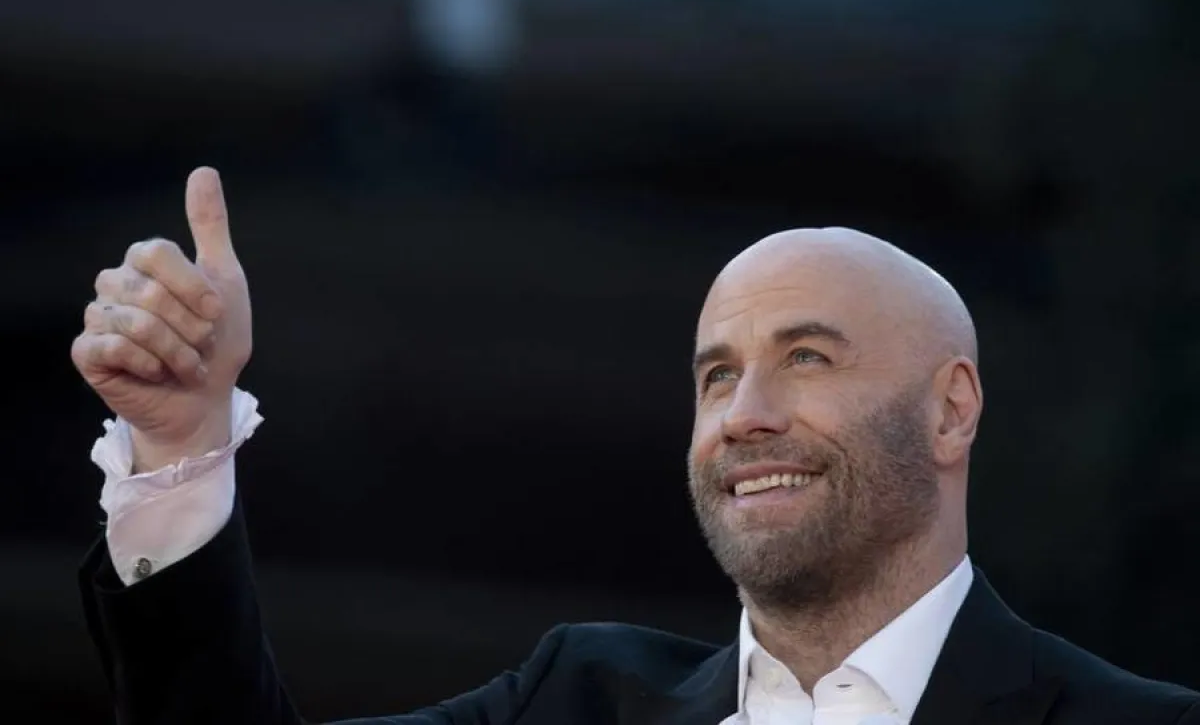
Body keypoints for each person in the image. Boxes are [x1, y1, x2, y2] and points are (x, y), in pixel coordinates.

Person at [72, 167, 1198, 725]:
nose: (743, 413)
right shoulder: (575, 698)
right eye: (716, 374)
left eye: (808, 356)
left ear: (952, 410)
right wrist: (183, 443)